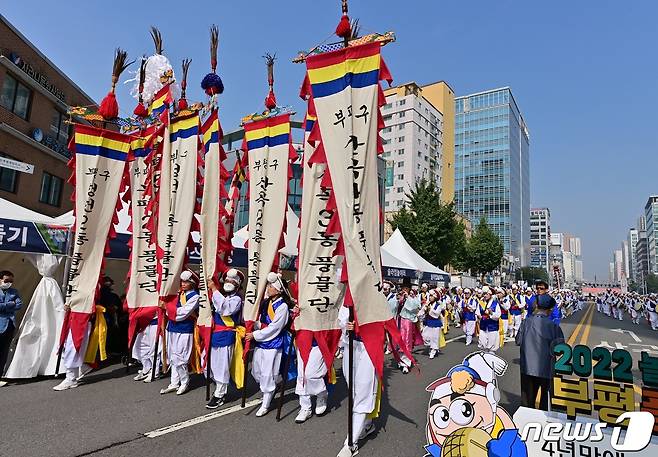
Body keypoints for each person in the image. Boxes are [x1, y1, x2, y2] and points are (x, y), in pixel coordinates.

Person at [245, 272, 290, 417]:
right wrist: (252, 323)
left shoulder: (282, 306)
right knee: (256, 371)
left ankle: (266, 402)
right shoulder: (266, 302)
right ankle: (274, 384)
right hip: (262, 342)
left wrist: (255, 335)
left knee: (267, 373)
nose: (268, 288)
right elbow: (262, 321)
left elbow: (275, 327)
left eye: (271, 286)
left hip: (273, 342)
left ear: (278, 290)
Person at [336, 304, 377, 457]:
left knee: (363, 391)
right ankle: (367, 425)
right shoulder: (348, 300)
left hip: (369, 347)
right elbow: (341, 320)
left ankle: (351, 443)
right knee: (353, 389)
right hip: (351, 345)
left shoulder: (375, 296)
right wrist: (347, 326)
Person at [516, 290, 563, 411]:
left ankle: (525, 423)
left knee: (527, 401)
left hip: (527, 367)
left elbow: (518, 341)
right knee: (545, 399)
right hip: (546, 368)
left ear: (536, 306)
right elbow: (560, 347)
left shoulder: (526, 322)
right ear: (550, 309)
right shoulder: (553, 326)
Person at [206, 269, 244, 409]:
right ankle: (219, 387)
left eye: (232, 281)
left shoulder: (237, 299)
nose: (229, 282)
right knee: (210, 366)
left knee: (221, 366)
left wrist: (214, 290)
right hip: (214, 334)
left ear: (238, 284)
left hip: (226, 336)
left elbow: (225, 310)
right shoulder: (221, 295)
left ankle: (219, 395)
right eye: (227, 280)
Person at [160, 270, 200, 396]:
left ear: (192, 283)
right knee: (172, 357)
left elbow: (183, 314)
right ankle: (174, 383)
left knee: (180, 358)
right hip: (171, 328)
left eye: (186, 281)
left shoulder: (195, 296)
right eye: (182, 281)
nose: (183, 284)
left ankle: (184, 382)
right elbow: (172, 312)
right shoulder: (177, 294)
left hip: (184, 330)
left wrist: (167, 308)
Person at [0, 270, 22, 375]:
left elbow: (19, 305)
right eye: (7, 280)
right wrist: (10, 304)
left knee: (4, 351)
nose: (9, 283)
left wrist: (5, 305)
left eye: (11, 281)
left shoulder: (14, 291)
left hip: (10, 325)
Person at [131, 309, 161, 383]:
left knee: (153, 350)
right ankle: (147, 369)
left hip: (155, 322)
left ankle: (155, 372)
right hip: (145, 322)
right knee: (139, 347)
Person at [398, 286, 421, 374]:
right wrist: (401, 298)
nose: (411, 294)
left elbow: (412, 307)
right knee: (399, 342)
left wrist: (408, 298)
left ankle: (406, 364)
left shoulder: (415, 301)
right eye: (410, 292)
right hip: (401, 320)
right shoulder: (405, 298)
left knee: (406, 342)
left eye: (413, 293)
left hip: (408, 322)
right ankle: (401, 361)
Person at [99, 276, 124, 356]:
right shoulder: (102, 293)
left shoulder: (112, 295)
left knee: (111, 333)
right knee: (108, 333)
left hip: (111, 316)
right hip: (105, 316)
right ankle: (107, 350)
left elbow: (119, 307)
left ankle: (109, 350)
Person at [421, 289, 444, 359]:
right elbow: (421, 312)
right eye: (429, 296)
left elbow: (436, 314)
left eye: (431, 296)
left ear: (435, 297)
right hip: (428, 322)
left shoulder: (438, 305)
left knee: (434, 338)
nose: (430, 297)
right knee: (424, 336)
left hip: (435, 323)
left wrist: (430, 309)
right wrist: (423, 310)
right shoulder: (427, 304)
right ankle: (433, 348)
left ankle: (433, 351)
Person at [478, 286, 501, 352]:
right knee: (482, 343)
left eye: (486, 294)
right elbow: (477, 313)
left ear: (490, 295)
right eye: (484, 294)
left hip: (492, 327)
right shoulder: (481, 303)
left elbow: (498, 315)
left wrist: (491, 313)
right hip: (483, 326)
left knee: (492, 345)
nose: (485, 296)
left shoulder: (495, 304)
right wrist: (479, 316)